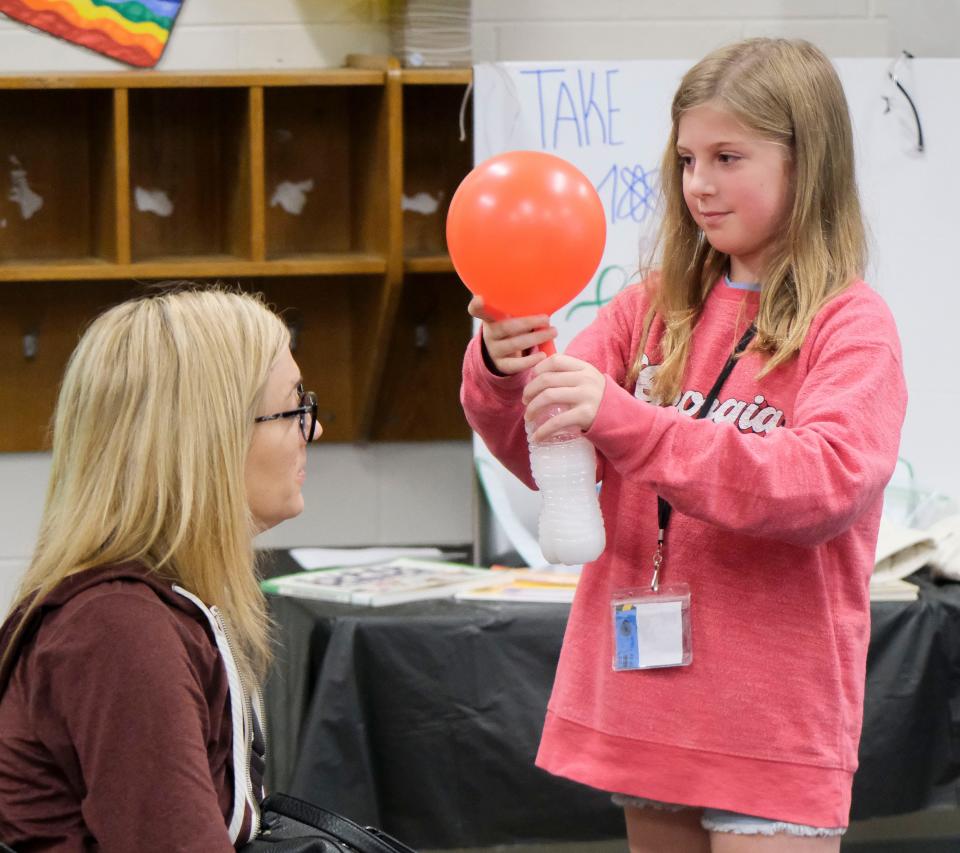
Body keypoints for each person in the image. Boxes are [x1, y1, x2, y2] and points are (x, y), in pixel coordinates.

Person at [461, 38, 907, 852]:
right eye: (688, 158)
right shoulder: (651, 304)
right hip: (649, 698)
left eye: (728, 156)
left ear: (807, 162)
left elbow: (822, 484)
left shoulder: (851, 324)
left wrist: (629, 421)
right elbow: (540, 449)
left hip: (771, 719)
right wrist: (498, 367)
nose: (699, 183)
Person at [0, 287, 320, 850]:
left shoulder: (136, 608)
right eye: (294, 406)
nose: (312, 430)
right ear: (208, 436)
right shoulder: (120, 630)